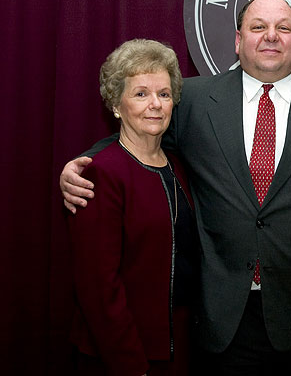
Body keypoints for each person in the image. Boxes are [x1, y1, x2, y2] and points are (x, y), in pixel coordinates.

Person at [61, 0, 291, 375]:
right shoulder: (194, 101)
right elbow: (141, 135)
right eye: (258, 27)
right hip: (220, 320)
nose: (271, 37)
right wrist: (87, 164)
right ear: (237, 40)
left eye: (283, 28)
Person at [67, 39, 198, 376]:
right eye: (141, 94)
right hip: (123, 354)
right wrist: (130, 364)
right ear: (115, 104)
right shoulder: (99, 173)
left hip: (177, 348)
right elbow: (98, 288)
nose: (155, 104)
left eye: (164, 94)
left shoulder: (178, 165)